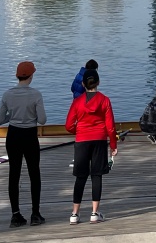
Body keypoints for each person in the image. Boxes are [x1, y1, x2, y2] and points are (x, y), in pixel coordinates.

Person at [0, 60, 47, 228]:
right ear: (31, 76)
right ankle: (35, 214)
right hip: (30, 136)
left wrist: (13, 116)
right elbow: (42, 120)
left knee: (14, 174)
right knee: (34, 174)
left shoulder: (7, 94)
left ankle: (15, 215)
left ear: (17, 76)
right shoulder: (36, 94)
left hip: (13, 135)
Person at [65, 68, 117, 225]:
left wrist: (78, 130)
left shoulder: (77, 102)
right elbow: (111, 127)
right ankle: (94, 213)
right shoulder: (105, 100)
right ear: (98, 82)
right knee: (96, 175)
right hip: (99, 140)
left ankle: (75, 214)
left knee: (80, 176)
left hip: (81, 140)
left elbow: (68, 125)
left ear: (83, 84)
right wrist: (113, 145)